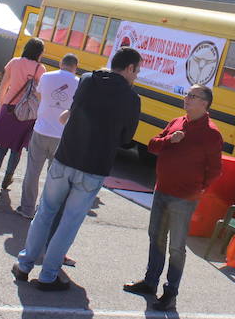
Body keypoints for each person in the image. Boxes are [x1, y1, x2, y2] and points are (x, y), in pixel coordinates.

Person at [12, 47, 141, 291]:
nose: (137, 76)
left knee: (45, 213)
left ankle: (25, 264)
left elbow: (75, 108)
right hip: (94, 166)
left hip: (66, 156)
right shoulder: (132, 98)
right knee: (69, 222)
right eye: (137, 70)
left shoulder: (88, 80)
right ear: (130, 68)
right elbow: (126, 138)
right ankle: (49, 275)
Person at [123, 84, 222, 312]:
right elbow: (152, 145)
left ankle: (170, 293)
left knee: (176, 247)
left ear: (204, 103)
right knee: (156, 237)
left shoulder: (211, 134)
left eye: (192, 96)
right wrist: (170, 140)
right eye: (187, 95)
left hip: (184, 198)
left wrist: (199, 189)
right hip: (162, 191)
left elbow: (215, 169)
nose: (186, 99)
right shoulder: (176, 122)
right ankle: (150, 282)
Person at [16, 53, 80, 220]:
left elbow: (39, 95)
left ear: (61, 63)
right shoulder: (78, 83)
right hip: (61, 135)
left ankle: (27, 208)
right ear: (75, 67)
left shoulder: (46, 76)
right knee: (55, 177)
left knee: (33, 171)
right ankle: (44, 210)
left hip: (41, 129)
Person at [0, 39, 46, 196]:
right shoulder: (40, 68)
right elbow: (39, 94)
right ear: (39, 52)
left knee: (1, 149)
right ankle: (7, 180)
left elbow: (4, 85)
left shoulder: (14, 62)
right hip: (26, 114)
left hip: (9, 108)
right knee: (16, 149)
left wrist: (0, 105)